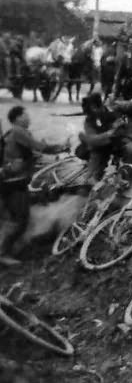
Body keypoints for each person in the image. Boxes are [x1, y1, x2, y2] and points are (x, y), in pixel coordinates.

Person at [0, 106, 62, 265]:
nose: (28, 117)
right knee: (20, 219)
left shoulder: (13, 133)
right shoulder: (18, 132)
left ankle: (10, 248)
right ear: (17, 118)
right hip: (14, 181)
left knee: (13, 216)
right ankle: (3, 253)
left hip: (13, 180)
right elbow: (38, 146)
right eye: (25, 115)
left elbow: (31, 152)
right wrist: (59, 147)